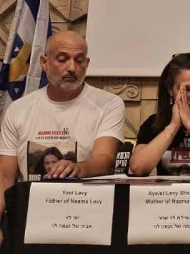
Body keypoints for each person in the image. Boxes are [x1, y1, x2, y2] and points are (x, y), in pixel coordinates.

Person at [0, 32, 124, 246]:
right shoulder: (18, 109)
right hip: (28, 219)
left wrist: (77, 168)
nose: (71, 67)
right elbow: (4, 177)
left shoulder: (109, 104)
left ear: (87, 63)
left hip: (84, 219)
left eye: (79, 60)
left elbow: (104, 159)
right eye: (62, 58)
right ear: (44, 62)